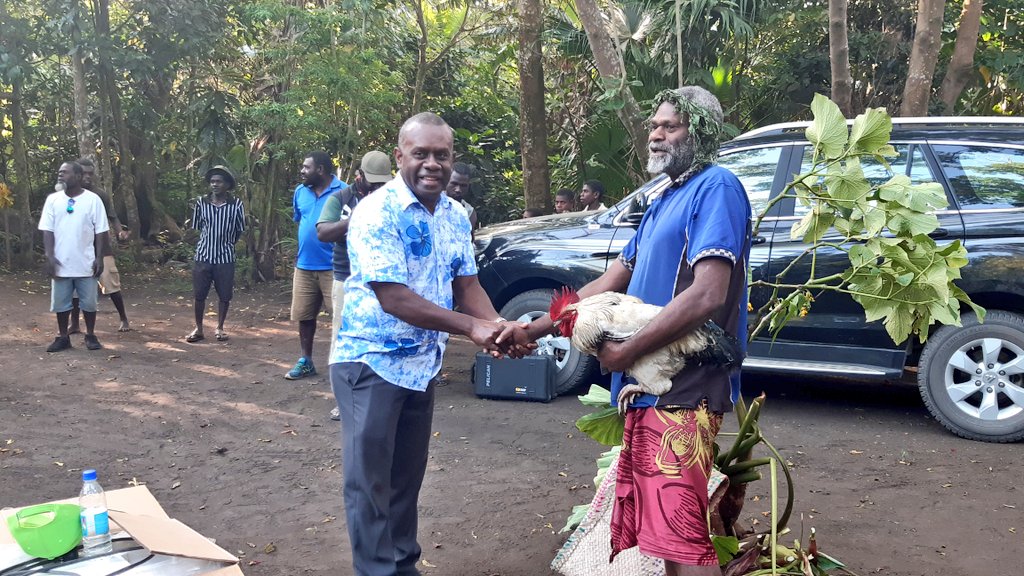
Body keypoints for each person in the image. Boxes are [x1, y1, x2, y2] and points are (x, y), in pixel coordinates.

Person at [523, 86, 751, 575]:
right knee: (663, 537)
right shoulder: (664, 197)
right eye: (653, 125)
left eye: (670, 126)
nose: (656, 135)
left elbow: (709, 293)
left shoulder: (718, 188)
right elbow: (613, 279)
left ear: (702, 133)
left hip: (685, 382)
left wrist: (627, 352)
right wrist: (534, 328)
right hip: (648, 386)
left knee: (683, 536)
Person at [330, 112, 528, 576]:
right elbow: (393, 297)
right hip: (371, 362)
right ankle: (377, 571)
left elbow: (467, 286)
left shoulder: (456, 215)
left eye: (441, 154)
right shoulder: (376, 212)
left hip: (421, 365)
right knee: (369, 482)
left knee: (404, 478)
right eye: (421, 154)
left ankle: (402, 564)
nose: (432, 164)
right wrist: (471, 329)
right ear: (401, 156)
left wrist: (499, 326)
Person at [316, 150, 392, 420]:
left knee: (381, 338)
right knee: (343, 338)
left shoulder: (392, 197)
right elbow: (323, 232)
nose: (375, 187)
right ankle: (343, 399)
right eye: (371, 181)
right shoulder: (342, 197)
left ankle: (377, 396)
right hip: (346, 278)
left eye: (380, 183)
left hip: (382, 278)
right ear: (358, 176)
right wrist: (357, 217)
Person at [38, 161, 111, 352]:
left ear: (78, 176)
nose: (61, 175)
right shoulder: (53, 200)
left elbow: (101, 231)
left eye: (65, 172)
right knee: (61, 303)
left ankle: (90, 335)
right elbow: (47, 230)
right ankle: (63, 337)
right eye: (60, 172)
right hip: (61, 263)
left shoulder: (93, 200)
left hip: (86, 262)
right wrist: (50, 256)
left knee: (89, 303)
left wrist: (99, 257)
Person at [286, 152, 346, 380]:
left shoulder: (344, 191)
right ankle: (306, 360)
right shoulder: (300, 192)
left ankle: (341, 368)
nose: (302, 171)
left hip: (335, 268)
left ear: (320, 170)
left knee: (340, 319)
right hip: (304, 266)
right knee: (305, 316)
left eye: (306, 167)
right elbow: (302, 223)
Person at [67, 158, 132, 333]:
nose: (88, 177)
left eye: (90, 173)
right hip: (78, 249)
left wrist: (120, 232)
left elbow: (113, 216)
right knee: (75, 290)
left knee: (111, 285)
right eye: (84, 173)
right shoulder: (68, 195)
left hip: (101, 248)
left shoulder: (100, 195)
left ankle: (123, 318)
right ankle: (74, 323)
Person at [185, 165, 246, 343]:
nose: (214, 185)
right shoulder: (201, 204)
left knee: (225, 295)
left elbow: (238, 231)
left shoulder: (236, 205)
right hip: (203, 256)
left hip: (225, 257)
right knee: (199, 295)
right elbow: (196, 229)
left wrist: (227, 244)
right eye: (212, 181)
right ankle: (199, 328)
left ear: (227, 185)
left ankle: (220, 328)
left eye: (219, 181)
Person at [445, 161, 478, 229]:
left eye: (463, 186)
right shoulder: (430, 204)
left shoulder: (469, 213)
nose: (458, 190)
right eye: (454, 184)